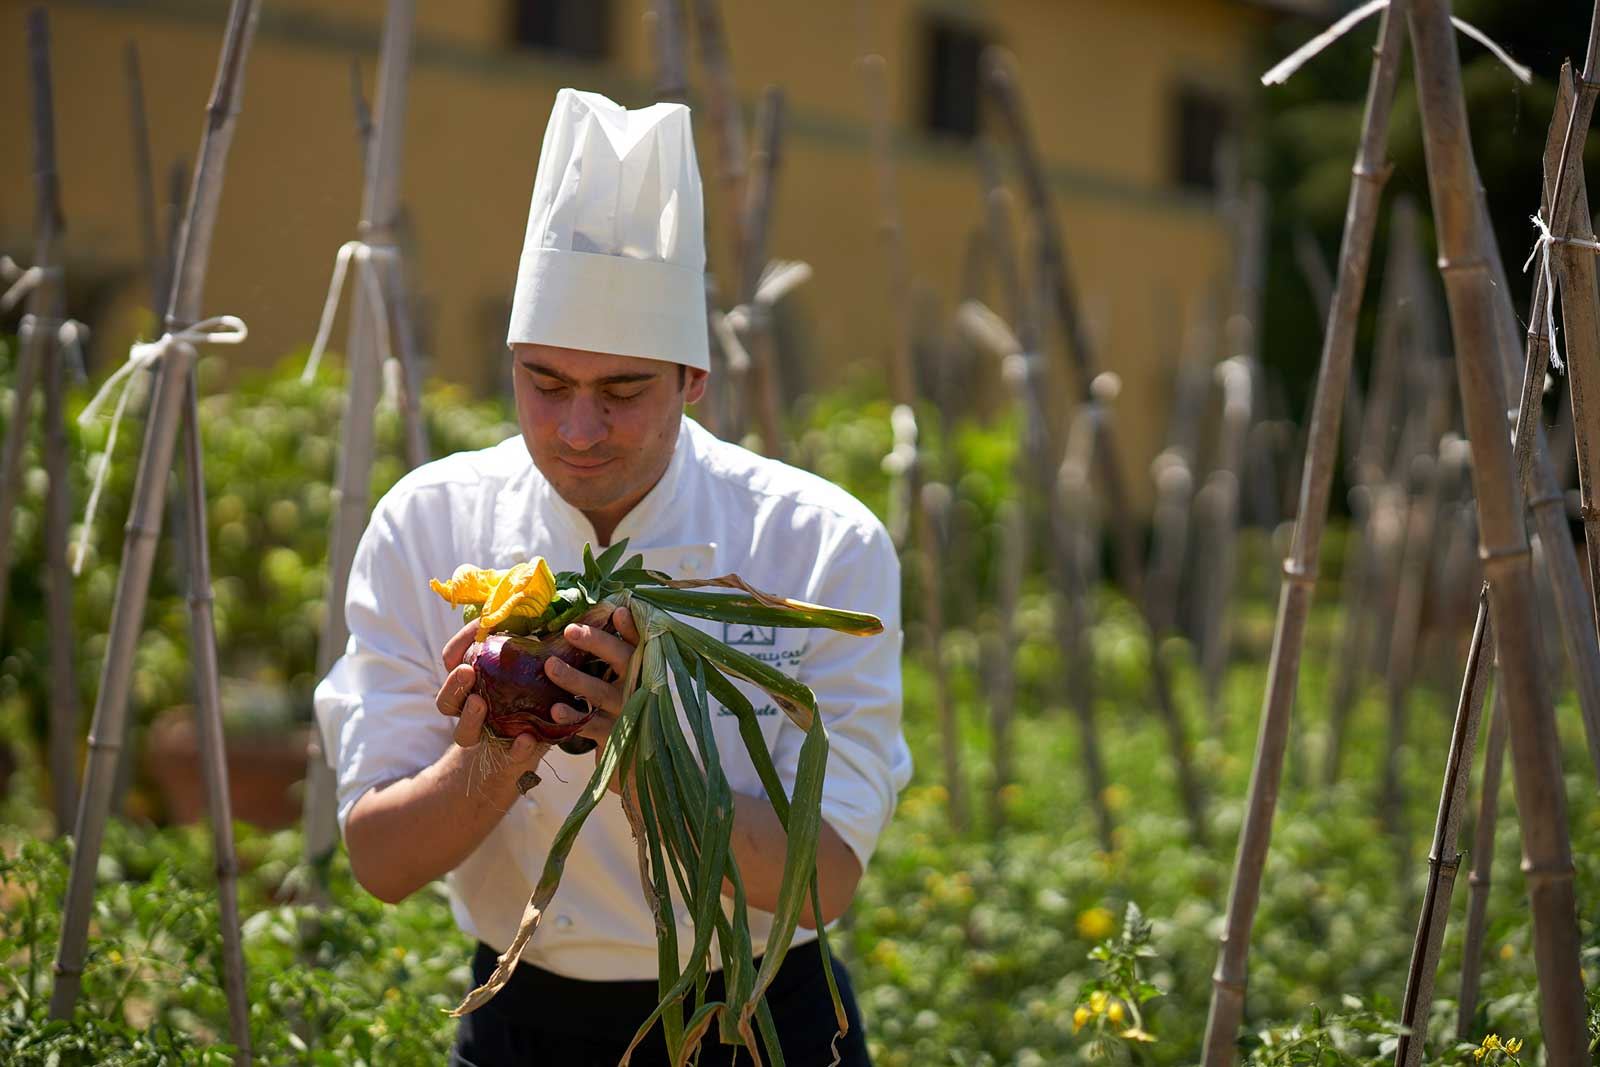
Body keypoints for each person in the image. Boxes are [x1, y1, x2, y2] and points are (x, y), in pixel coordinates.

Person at [313, 88, 912, 1066]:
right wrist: (501, 747)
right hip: (522, 1015)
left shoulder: (814, 544)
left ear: (694, 380)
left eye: (623, 390)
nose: (577, 429)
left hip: (757, 1018)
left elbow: (821, 882)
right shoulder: (431, 521)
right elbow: (380, 861)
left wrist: (641, 743)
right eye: (544, 383)